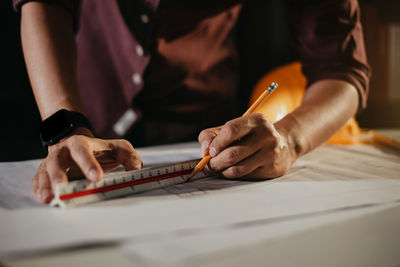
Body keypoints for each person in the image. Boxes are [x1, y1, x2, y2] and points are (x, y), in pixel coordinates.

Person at [14, 0, 370, 203]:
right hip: (83, 112)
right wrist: (65, 126)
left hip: (203, 138)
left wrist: (289, 140)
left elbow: (341, 69)